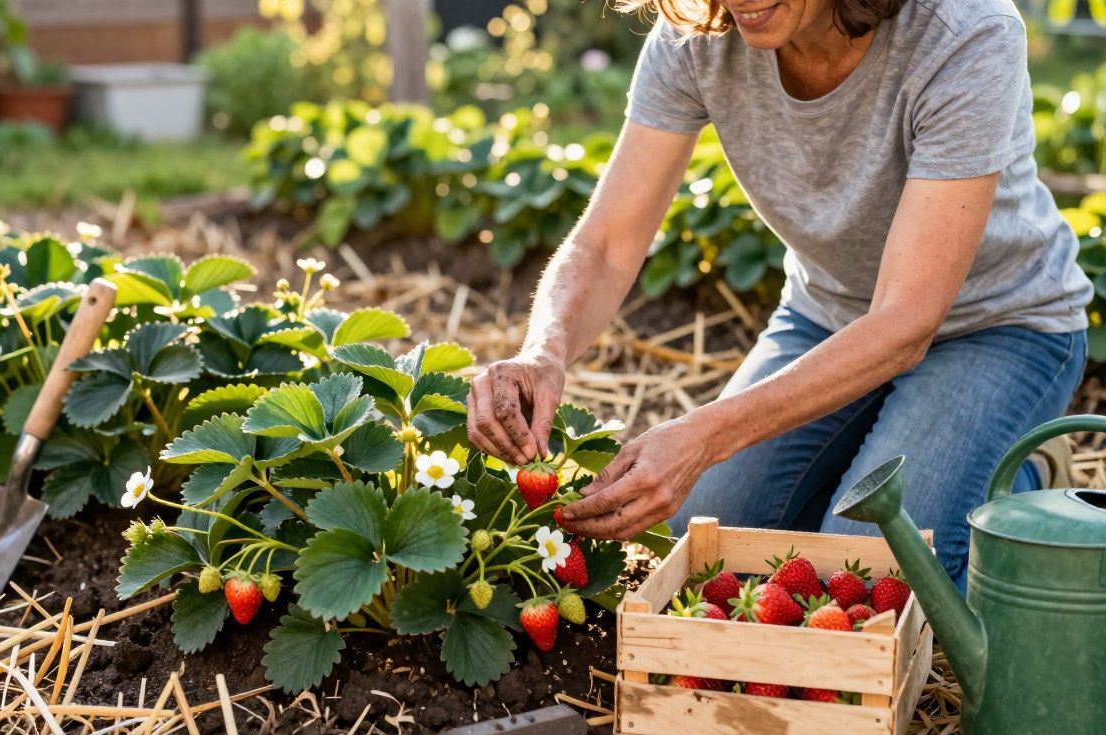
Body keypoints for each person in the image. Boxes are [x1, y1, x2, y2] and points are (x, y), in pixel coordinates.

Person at [465, 0, 1090, 585]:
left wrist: (703, 435)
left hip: (999, 328)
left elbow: (905, 321)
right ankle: (883, 451)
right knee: (708, 537)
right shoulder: (699, 31)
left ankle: (1020, 484)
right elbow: (605, 243)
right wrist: (543, 350)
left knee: (871, 569)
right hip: (829, 313)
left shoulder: (963, 30)